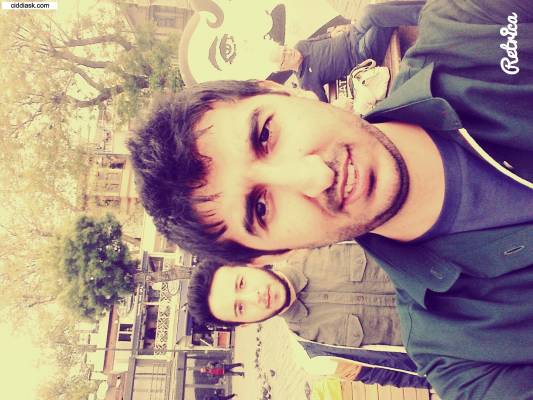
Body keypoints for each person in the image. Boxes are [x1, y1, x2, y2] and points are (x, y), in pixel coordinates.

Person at [128, 0, 533, 398]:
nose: (317, 176)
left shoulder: (472, 26)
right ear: (267, 254)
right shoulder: (464, 360)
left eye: (266, 135)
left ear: (282, 91)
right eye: (261, 209)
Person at [188, 245, 430, 388]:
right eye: (240, 308)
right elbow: (398, 374)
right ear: (244, 325)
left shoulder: (316, 240)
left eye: (241, 283)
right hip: (450, 341)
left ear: (247, 265)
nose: (255, 296)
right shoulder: (315, 356)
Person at [271, 1, 425, 101]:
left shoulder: (300, 45)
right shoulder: (306, 82)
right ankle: (425, 15)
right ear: (283, 67)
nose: (289, 52)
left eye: (285, 49)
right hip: (361, 54)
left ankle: (425, 7)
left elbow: (323, 37)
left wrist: (334, 32)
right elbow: (324, 108)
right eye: (284, 56)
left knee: (372, 11)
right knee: (377, 16)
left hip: (353, 35)